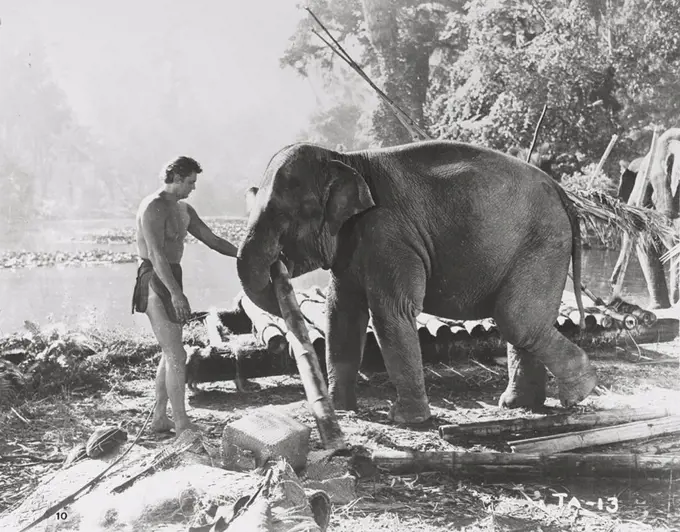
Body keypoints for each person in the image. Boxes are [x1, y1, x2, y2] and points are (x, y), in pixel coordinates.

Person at [132, 156, 238, 435]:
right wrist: (176, 294)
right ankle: (181, 423)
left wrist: (245, 254)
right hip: (155, 278)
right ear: (176, 178)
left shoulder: (184, 209)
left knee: (171, 352)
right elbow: (155, 255)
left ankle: (159, 418)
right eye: (190, 182)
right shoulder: (152, 207)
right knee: (176, 354)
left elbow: (212, 240)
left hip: (172, 276)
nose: (193, 188)